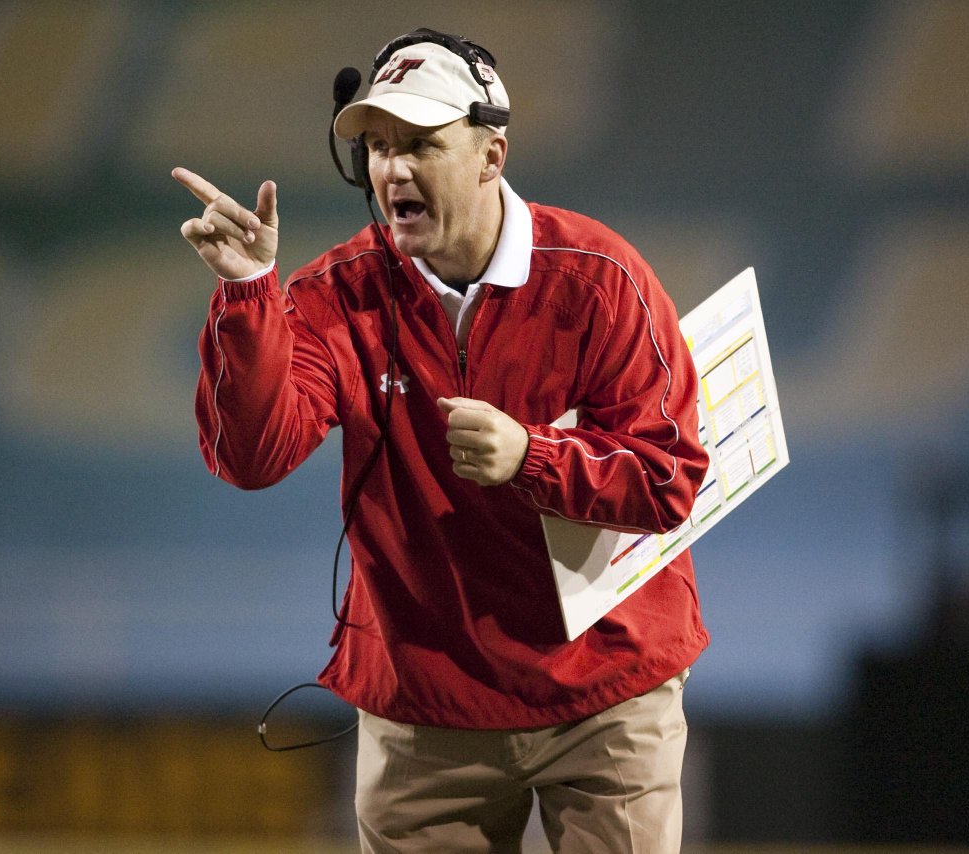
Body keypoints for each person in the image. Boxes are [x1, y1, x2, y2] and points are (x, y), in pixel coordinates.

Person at [174, 27, 710, 854]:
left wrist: (530, 458)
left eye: (420, 144)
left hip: (607, 691)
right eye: (379, 148)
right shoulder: (336, 295)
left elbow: (669, 479)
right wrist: (250, 295)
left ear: (492, 156)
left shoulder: (603, 279)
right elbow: (253, 457)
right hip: (427, 703)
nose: (392, 169)